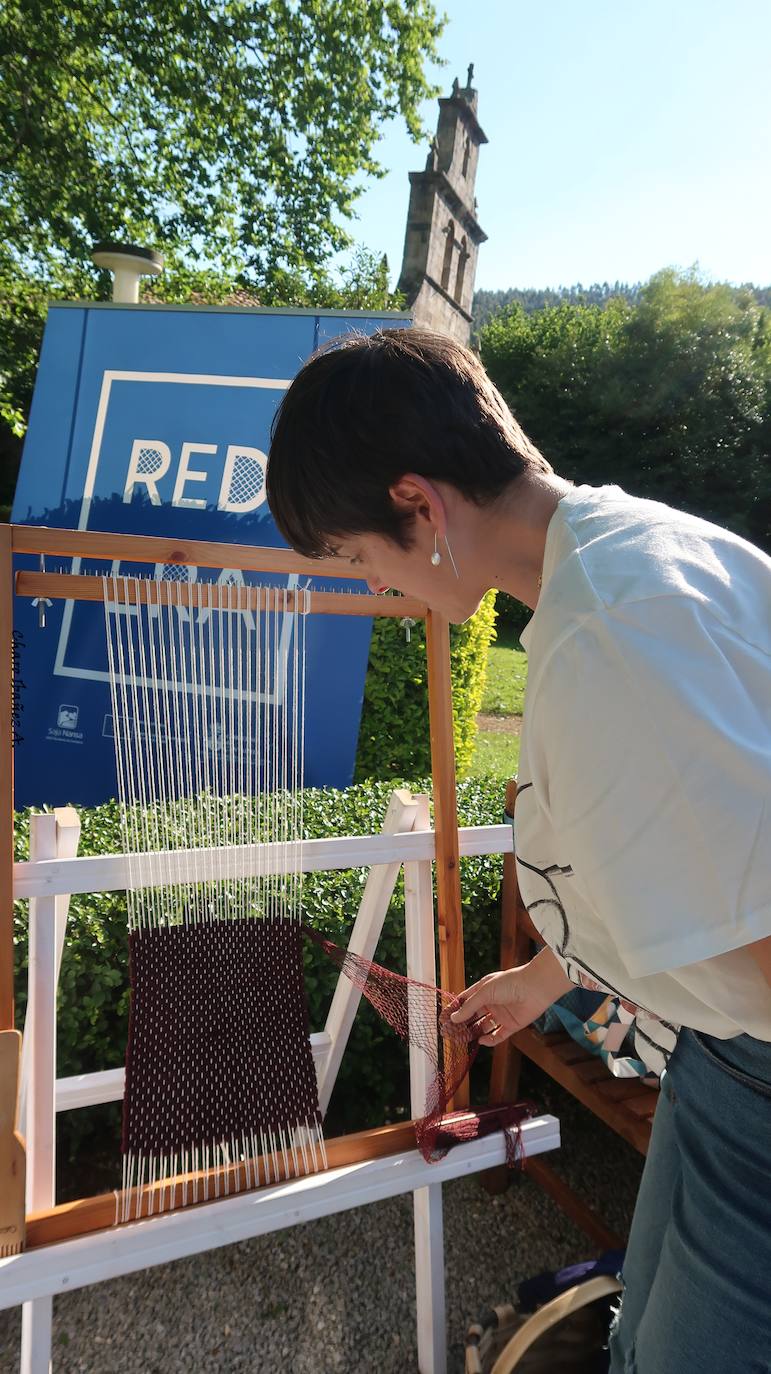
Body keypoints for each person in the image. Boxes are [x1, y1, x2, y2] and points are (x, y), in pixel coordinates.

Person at [266, 326, 771, 1374]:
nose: (381, 590)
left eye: (363, 557)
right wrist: (547, 978)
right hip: (726, 1051)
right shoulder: (636, 545)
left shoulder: (613, 645)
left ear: (418, 503)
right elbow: (705, 864)